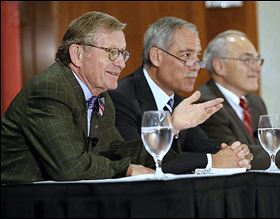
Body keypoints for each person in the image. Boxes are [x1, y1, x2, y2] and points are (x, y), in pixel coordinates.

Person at [1, 11, 227, 184]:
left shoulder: (102, 98)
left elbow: (114, 152)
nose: (121, 62)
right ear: (77, 54)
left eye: (123, 53)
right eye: (112, 52)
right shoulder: (51, 89)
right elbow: (70, 167)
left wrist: (173, 126)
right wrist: (127, 169)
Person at [109, 16, 253, 172]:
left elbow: (199, 144)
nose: (196, 66)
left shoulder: (177, 100)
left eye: (197, 57)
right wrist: (212, 161)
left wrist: (233, 154)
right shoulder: (121, 97)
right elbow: (138, 158)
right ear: (156, 56)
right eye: (186, 55)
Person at [198, 30, 280, 169]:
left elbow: (275, 146)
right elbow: (237, 156)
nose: (257, 68)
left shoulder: (255, 102)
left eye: (257, 60)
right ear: (219, 66)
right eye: (248, 60)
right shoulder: (206, 104)